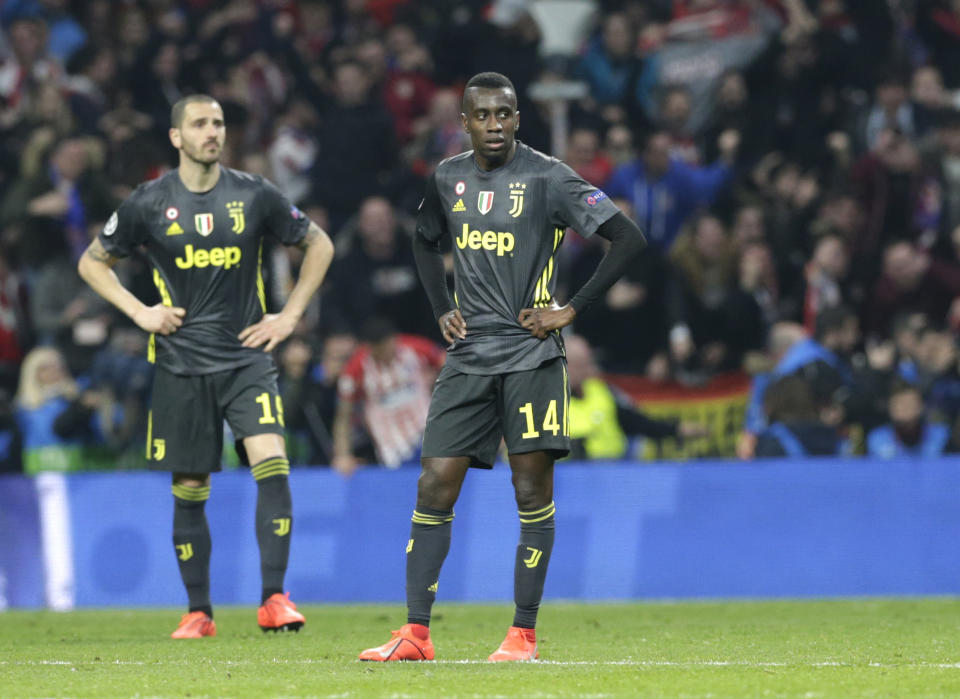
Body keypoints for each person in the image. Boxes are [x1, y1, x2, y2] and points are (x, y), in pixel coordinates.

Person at [359, 72, 646, 663]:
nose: (495, 125)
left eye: (505, 114)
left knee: (530, 487)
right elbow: (422, 240)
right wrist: (442, 308)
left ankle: (522, 635)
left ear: (519, 118)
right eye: (483, 116)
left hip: (530, 353)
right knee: (434, 482)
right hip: (468, 356)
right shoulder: (447, 177)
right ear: (463, 122)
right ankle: (415, 633)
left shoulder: (548, 176)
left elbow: (627, 237)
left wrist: (570, 310)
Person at [76, 94, 334, 639]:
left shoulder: (253, 193)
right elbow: (92, 261)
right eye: (199, 123)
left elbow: (319, 244)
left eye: (217, 122)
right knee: (191, 485)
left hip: (247, 356)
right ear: (177, 137)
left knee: (273, 459)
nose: (212, 131)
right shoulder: (148, 202)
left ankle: (274, 598)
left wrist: (289, 316)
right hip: (180, 361)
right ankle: (200, 611)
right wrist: (139, 311)